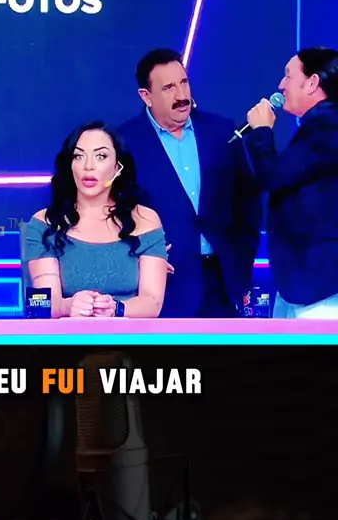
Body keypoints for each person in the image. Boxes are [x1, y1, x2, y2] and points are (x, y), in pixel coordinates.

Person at [116, 49, 262, 318]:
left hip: (224, 282)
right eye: (168, 88)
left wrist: (242, 254)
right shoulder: (123, 142)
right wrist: (136, 257)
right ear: (146, 96)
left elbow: (248, 198)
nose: (181, 95)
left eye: (184, 82)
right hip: (164, 287)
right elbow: (112, 209)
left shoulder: (221, 131)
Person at [24, 121, 168, 317]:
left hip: (128, 334)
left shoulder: (145, 221)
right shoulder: (45, 224)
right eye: (79, 156)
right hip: (66, 334)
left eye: (101, 156)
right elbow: (40, 304)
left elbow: (152, 302)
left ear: (118, 167)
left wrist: (116, 308)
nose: (88, 166)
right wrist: (67, 306)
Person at [246, 47, 338, 319]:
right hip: (302, 281)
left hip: (320, 284)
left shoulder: (328, 125)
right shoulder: (319, 125)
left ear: (312, 83)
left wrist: (262, 132)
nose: (280, 85)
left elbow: (273, 176)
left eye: (288, 75)